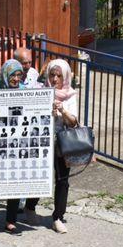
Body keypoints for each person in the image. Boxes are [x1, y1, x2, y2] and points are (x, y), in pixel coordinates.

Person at [0, 59, 40, 234]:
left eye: (19, 75)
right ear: (5, 74)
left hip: (16, 146)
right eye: (13, 75)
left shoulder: (24, 92)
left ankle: (10, 220)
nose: (16, 78)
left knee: (16, 180)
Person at [44, 59, 79, 233]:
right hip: (42, 140)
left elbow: (73, 122)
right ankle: (30, 207)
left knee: (62, 180)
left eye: (59, 75)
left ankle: (58, 216)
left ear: (65, 76)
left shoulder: (70, 95)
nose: (55, 79)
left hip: (62, 142)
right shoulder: (41, 92)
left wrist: (62, 111)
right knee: (39, 175)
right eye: (52, 74)